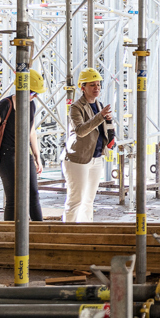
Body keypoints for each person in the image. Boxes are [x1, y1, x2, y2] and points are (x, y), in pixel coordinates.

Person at [0, 69, 47, 222]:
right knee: (13, 199)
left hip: (24, 154)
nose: (35, 97)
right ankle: (10, 238)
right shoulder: (6, 105)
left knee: (33, 195)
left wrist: (37, 156)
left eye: (36, 94)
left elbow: (31, 131)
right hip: (6, 156)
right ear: (23, 89)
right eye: (33, 93)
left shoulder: (31, 105)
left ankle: (41, 233)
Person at [62, 68, 115, 223]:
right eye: (92, 85)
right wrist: (101, 116)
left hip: (96, 157)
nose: (96, 88)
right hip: (78, 158)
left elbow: (102, 128)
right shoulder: (76, 107)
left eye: (98, 84)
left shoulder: (99, 105)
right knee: (76, 200)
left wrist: (108, 122)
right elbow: (80, 131)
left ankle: (84, 232)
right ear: (82, 87)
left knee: (88, 201)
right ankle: (68, 233)